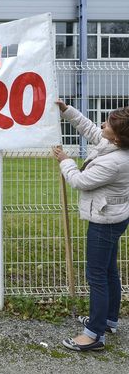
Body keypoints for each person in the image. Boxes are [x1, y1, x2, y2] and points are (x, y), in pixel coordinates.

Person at [53, 100, 129, 352]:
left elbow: (80, 181)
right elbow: (90, 129)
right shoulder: (117, 145)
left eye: (108, 125)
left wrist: (65, 160)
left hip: (104, 221)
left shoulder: (115, 162)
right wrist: (67, 110)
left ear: (117, 139)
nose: (103, 125)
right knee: (108, 271)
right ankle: (108, 320)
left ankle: (94, 335)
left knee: (97, 276)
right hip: (114, 216)